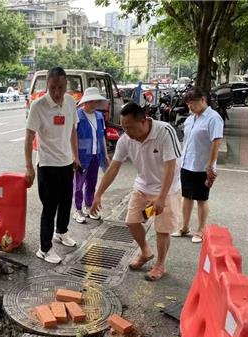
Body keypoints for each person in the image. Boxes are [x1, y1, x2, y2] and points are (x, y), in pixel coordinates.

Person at [91, 102, 182, 281]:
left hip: (167, 187)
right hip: (142, 186)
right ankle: (146, 252)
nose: (127, 132)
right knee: (132, 222)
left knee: (162, 229)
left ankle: (160, 265)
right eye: (124, 127)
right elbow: (114, 168)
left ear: (143, 121)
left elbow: (171, 167)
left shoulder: (165, 131)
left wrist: (162, 198)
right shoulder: (126, 140)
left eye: (130, 127)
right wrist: (98, 194)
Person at [24, 66, 79, 264]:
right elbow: (29, 136)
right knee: (50, 207)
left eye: (61, 87)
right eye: (53, 87)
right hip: (47, 165)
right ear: (47, 84)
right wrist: (29, 167)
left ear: (66, 85)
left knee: (66, 202)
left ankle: (61, 232)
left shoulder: (71, 102)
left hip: (66, 163)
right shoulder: (38, 106)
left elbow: (72, 129)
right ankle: (44, 248)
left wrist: (76, 156)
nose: (57, 92)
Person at [171, 86, 223, 243]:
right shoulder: (190, 119)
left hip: (202, 165)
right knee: (186, 196)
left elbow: (216, 142)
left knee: (201, 198)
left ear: (203, 100)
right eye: (188, 104)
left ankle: (200, 230)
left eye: (192, 103)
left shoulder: (213, 118)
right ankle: (184, 227)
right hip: (187, 163)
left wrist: (210, 165)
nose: (190, 106)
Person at [73, 87, 111, 223]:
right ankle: (78, 210)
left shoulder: (99, 116)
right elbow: (72, 138)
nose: (95, 104)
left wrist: (105, 154)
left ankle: (89, 206)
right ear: (85, 102)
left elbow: (102, 137)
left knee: (92, 183)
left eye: (96, 101)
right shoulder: (77, 115)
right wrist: (74, 157)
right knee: (78, 185)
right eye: (92, 101)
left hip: (96, 155)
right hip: (82, 156)